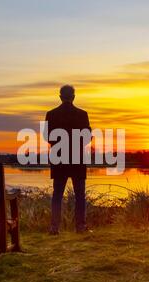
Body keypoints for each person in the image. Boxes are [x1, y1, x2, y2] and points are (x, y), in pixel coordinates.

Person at [44, 85, 91, 235]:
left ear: (60, 97)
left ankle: (54, 228)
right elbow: (86, 138)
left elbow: (47, 137)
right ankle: (80, 227)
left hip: (59, 159)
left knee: (57, 195)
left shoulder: (51, 114)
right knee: (79, 196)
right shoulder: (82, 114)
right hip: (77, 159)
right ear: (74, 96)